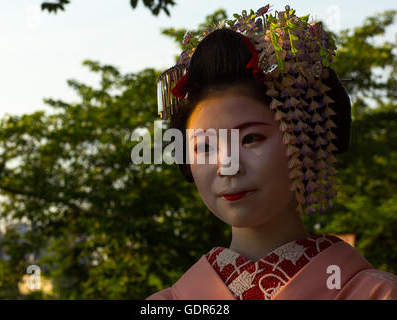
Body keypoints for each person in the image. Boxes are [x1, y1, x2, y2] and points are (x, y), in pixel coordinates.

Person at [147, 5, 397, 300]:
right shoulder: (169, 302)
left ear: (306, 139)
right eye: (205, 147)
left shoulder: (372, 293)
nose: (228, 166)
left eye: (251, 138)